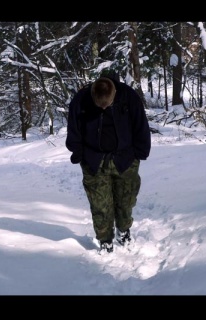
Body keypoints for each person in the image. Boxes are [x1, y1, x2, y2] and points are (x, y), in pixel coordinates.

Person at [66, 75, 151, 253]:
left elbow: (141, 125)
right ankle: (105, 239)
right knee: (100, 205)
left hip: (126, 159)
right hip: (94, 161)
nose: (104, 109)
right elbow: (74, 130)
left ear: (115, 94)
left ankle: (124, 229)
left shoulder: (129, 97)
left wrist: (140, 152)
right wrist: (79, 153)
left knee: (126, 201)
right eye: (100, 106)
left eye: (108, 105)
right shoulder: (81, 101)